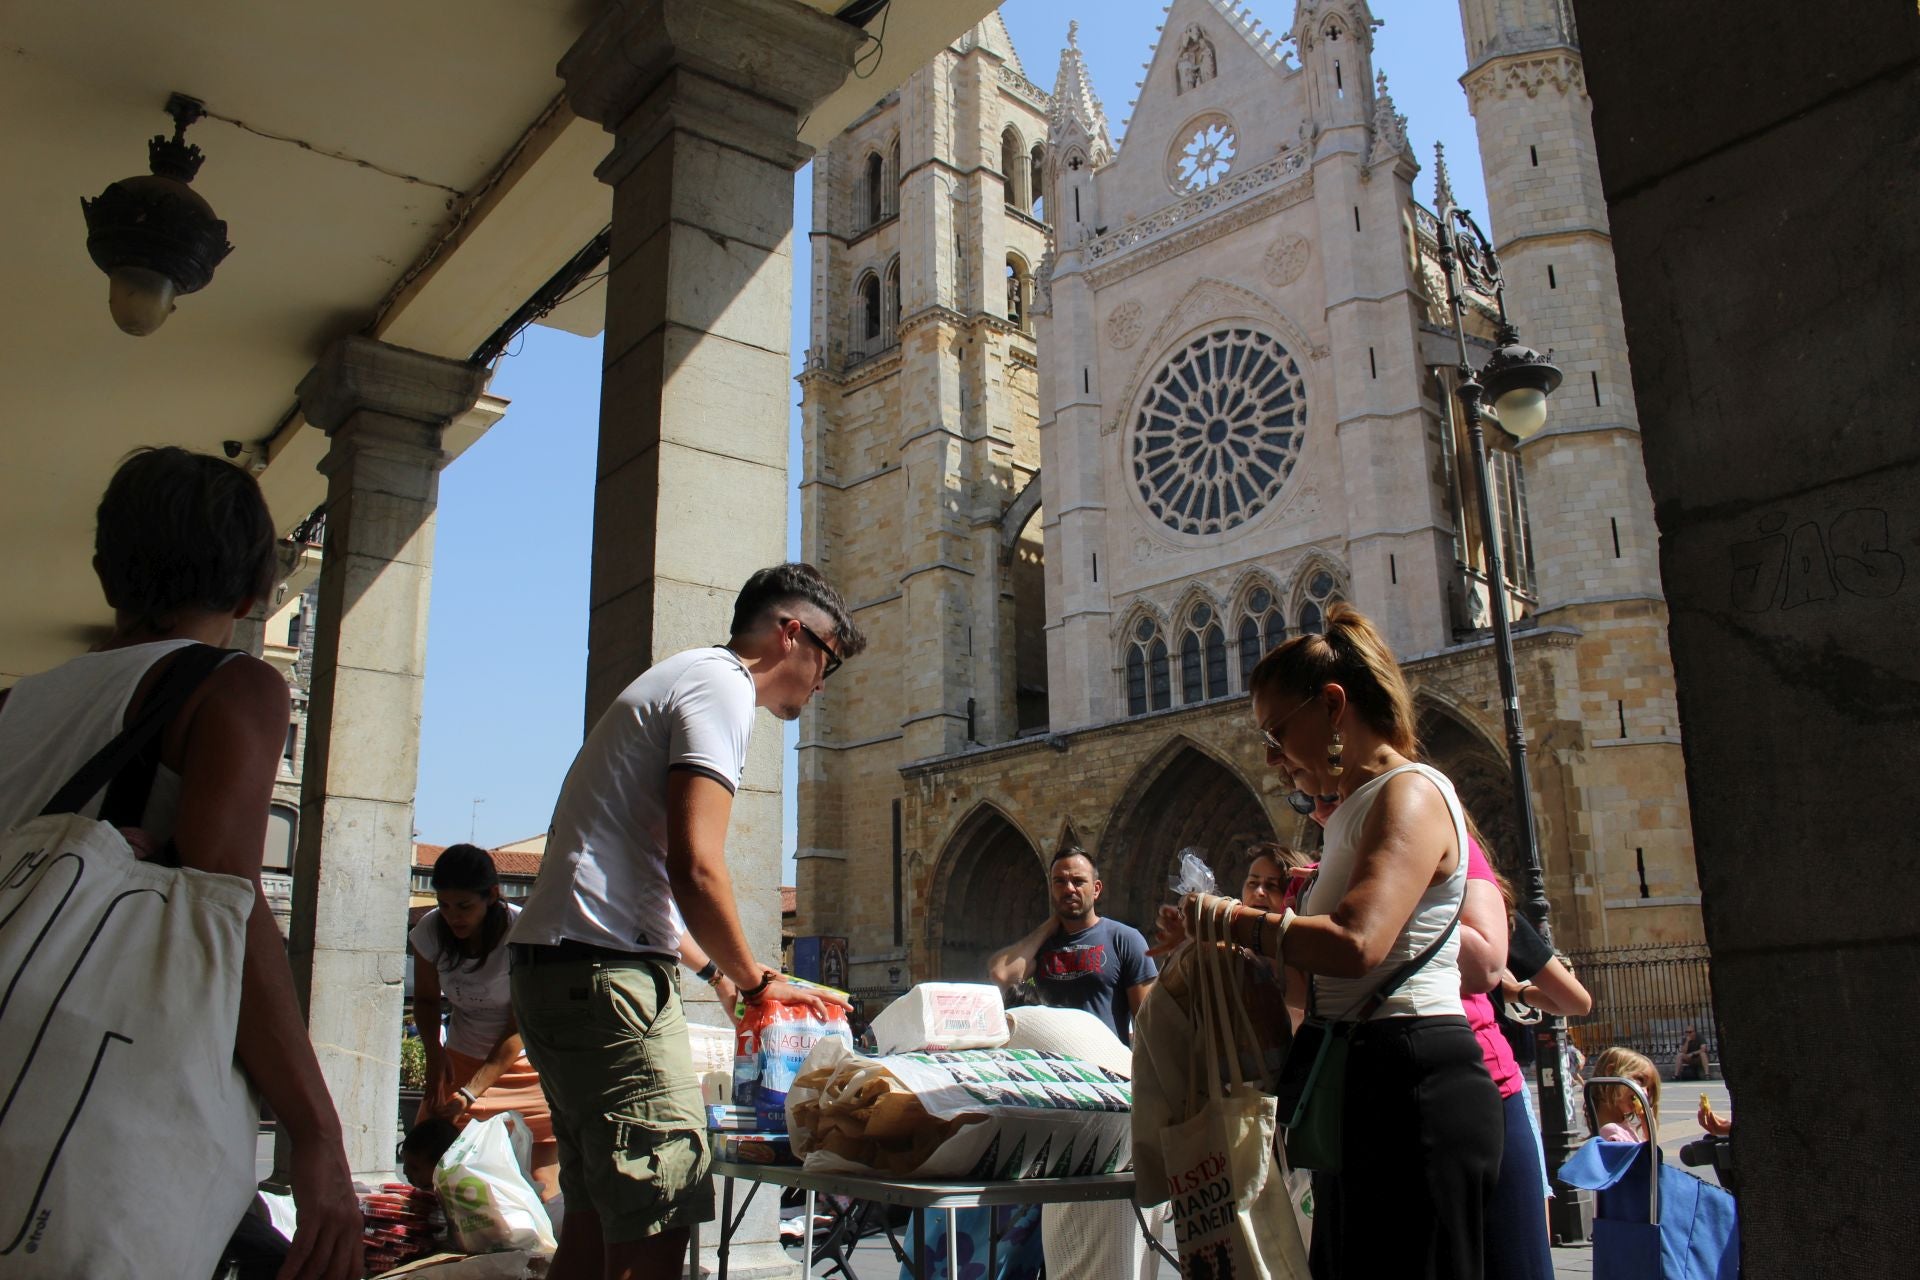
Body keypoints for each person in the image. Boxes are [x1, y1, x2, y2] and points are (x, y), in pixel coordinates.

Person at [0, 447, 362, 1280]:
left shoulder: (17, 703)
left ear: (105, 574)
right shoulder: (230, 687)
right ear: (254, 594)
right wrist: (317, 1134)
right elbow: (226, 907)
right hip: (99, 1102)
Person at [508, 562, 861, 1280]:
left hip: (563, 971)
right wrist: (758, 979)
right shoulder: (722, 686)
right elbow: (696, 866)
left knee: (594, 1212)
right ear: (791, 633)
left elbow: (636, 876)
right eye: (826, 660)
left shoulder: (685, 679)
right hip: (606, 980)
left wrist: (715, 975)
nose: (823, 684)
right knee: (657, 1211)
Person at [1196, 604, 1502, 1280]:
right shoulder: (1352, 813)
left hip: (1413, 1077)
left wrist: (1225, 919)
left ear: (1334, 706)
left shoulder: (1411, 794)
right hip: (1365, 1077)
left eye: (1278, 732)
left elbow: (1357, 942)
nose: (1272, 757)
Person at [410, 843, 560, 1198]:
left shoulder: (523, 933)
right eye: (444, 906)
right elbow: (428, 1001)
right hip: (461, 1057)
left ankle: (542, 1252)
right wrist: (435, 1056)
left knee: (542, 1179)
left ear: (492, 895)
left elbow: (518, 1024)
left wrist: (471, 1092)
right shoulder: (430, 931)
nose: (453, 917)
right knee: (435, 1166)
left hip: (527, 1063)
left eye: (465, 906)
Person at [987, 847, 1157, 1045]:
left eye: (1078, 881)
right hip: (1054, 1067)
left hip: (1106, 1068)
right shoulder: (1041, 944)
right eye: (1060, 881)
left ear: (1096, 889)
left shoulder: (1124, 939)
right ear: (1051, 888)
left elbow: (1148, 1021)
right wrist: (1049, 926)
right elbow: (1002, 974)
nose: (1069, 889)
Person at [1590, 1046, 1660, 1142]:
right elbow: (1650, 1155)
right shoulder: (1612, 1132)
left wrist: (1648, 1123)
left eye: (1648, 1089)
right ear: (1611, 1074)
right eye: (1640, 1079)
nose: (1645, 1093)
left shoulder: (1622, 1127)